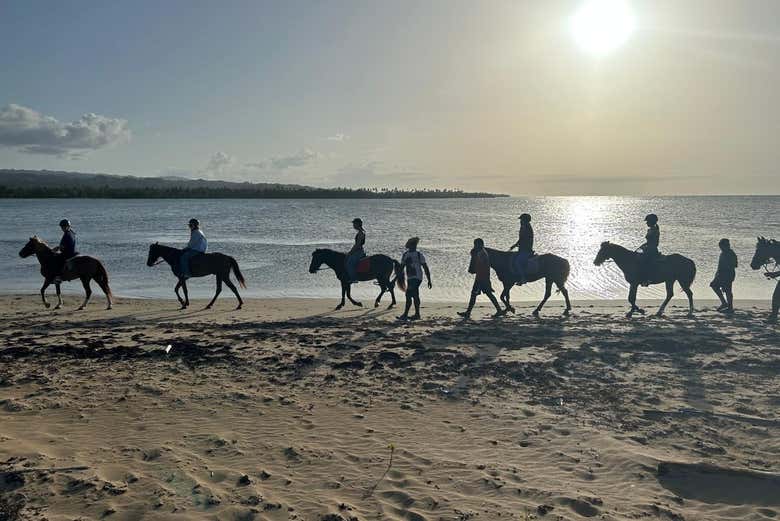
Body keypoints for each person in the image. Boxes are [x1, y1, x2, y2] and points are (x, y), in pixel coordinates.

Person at [458, 238, 504, 319]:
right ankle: (468, 312)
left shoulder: (481, 254)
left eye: (475, 244)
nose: (475, 246)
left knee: (482, 294)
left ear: (479, 245)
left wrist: (480, 278)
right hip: (481, 277)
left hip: (481, 278)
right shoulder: (482, 252)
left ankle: (499, 310)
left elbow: (482, 267)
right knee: (481, 294)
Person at [398, 237, 432, 321]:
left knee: (408, 294)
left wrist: (429, 280)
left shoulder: (419, 255)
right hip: (410, 278)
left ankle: (406, 314)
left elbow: (425, 267)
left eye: (415, 245)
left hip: (417, 277)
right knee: (415, 294)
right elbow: (401, 268)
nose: (414, 246)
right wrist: (396, 278)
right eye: (413, 245)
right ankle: (417, 314)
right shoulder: (405, 255)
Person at [710, 238, 738, 313]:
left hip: (728, 274)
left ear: (726, 246)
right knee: (714, 285)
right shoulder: (723, 253)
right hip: (721, 274)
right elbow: (720, 265)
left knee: (727, 290)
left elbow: (735, 265)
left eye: (721, 246)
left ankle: (730, 307)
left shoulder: (731, 253)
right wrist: (717, 273)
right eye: (720, 246)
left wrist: (726, 267)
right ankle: (724, 303)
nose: (720, 248)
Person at [509, 213, 534, 284]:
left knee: (518, 262)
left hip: (526, 249)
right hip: (522, 248)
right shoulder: (525, 227)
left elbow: (523, 239)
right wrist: (515, 245)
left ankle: (523, 278)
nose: (520, 221)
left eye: (521, 220)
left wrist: (516, 245)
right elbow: (521, 239)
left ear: (525, 220)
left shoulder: (526, 227)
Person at [639, 213, 660, 286]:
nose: (646, 223)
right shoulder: (651, 230)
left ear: (651, 222)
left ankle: (647, 279)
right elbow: (648, 242)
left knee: (644, 262)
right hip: (648, 249)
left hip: (652, 250)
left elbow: (654, 243)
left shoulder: (654, 230)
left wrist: (646, 247)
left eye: (647, 221)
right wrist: (642, 246)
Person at [345, 218, 366, 283]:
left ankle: (354, 278)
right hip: (358, 250)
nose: (353, 225)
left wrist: (350, 252)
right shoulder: (361, 232)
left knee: (349, 263)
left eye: (354, 223)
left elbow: (357, 245)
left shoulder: (360, 233)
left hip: (358, 251)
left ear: (358, 224)